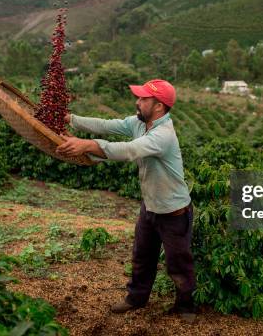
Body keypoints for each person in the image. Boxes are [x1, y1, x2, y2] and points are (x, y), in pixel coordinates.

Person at [56, 79, 196, 322]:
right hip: (150, 207)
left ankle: (186, 306)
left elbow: (129, 151)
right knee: (142, 256)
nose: (137, 102)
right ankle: (136, 298)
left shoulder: (163, 135)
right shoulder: (139, 123)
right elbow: (107, 125)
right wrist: (72, 120)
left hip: (174, 212)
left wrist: (87, 145)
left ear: (159, 107)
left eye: (143, 99)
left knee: (178, 264)